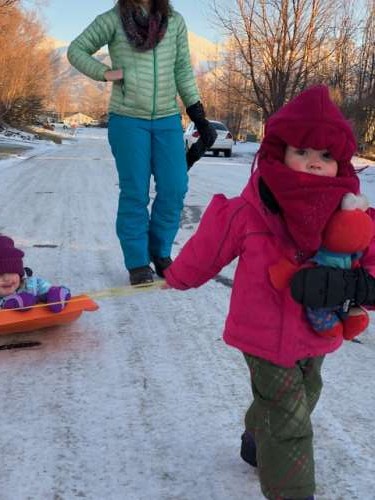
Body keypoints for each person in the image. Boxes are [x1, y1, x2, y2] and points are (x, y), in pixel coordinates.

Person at [162, 85, 375, 499]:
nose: (314, 164)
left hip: (318, 327)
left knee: (307, 391)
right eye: (303, 152)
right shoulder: (252, 207)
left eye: (326, 156)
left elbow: (368, 253)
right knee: (289, 416)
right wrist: (179, 276)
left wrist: (364, 283)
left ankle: (256, 440)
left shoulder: (349, 211)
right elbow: (210, 248)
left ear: (340, 162)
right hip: (262, 332)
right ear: (280, 152)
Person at [67, 0, 216, 286]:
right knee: (135, 191)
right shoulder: (113, 19)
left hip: (168, 120)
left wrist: (198, 114)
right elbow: (76, 50)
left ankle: (160, 253)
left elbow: (183, 69)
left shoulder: (174, 21)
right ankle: (137, 261)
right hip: (127, 120)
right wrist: (106, 73)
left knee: (175, 187)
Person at [0, 235, 71, 313]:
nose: (6, 279)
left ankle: (60, 295)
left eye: (11, 272)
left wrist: (53, 292)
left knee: (49, 291)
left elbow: (43, 287)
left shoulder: (29, 284)